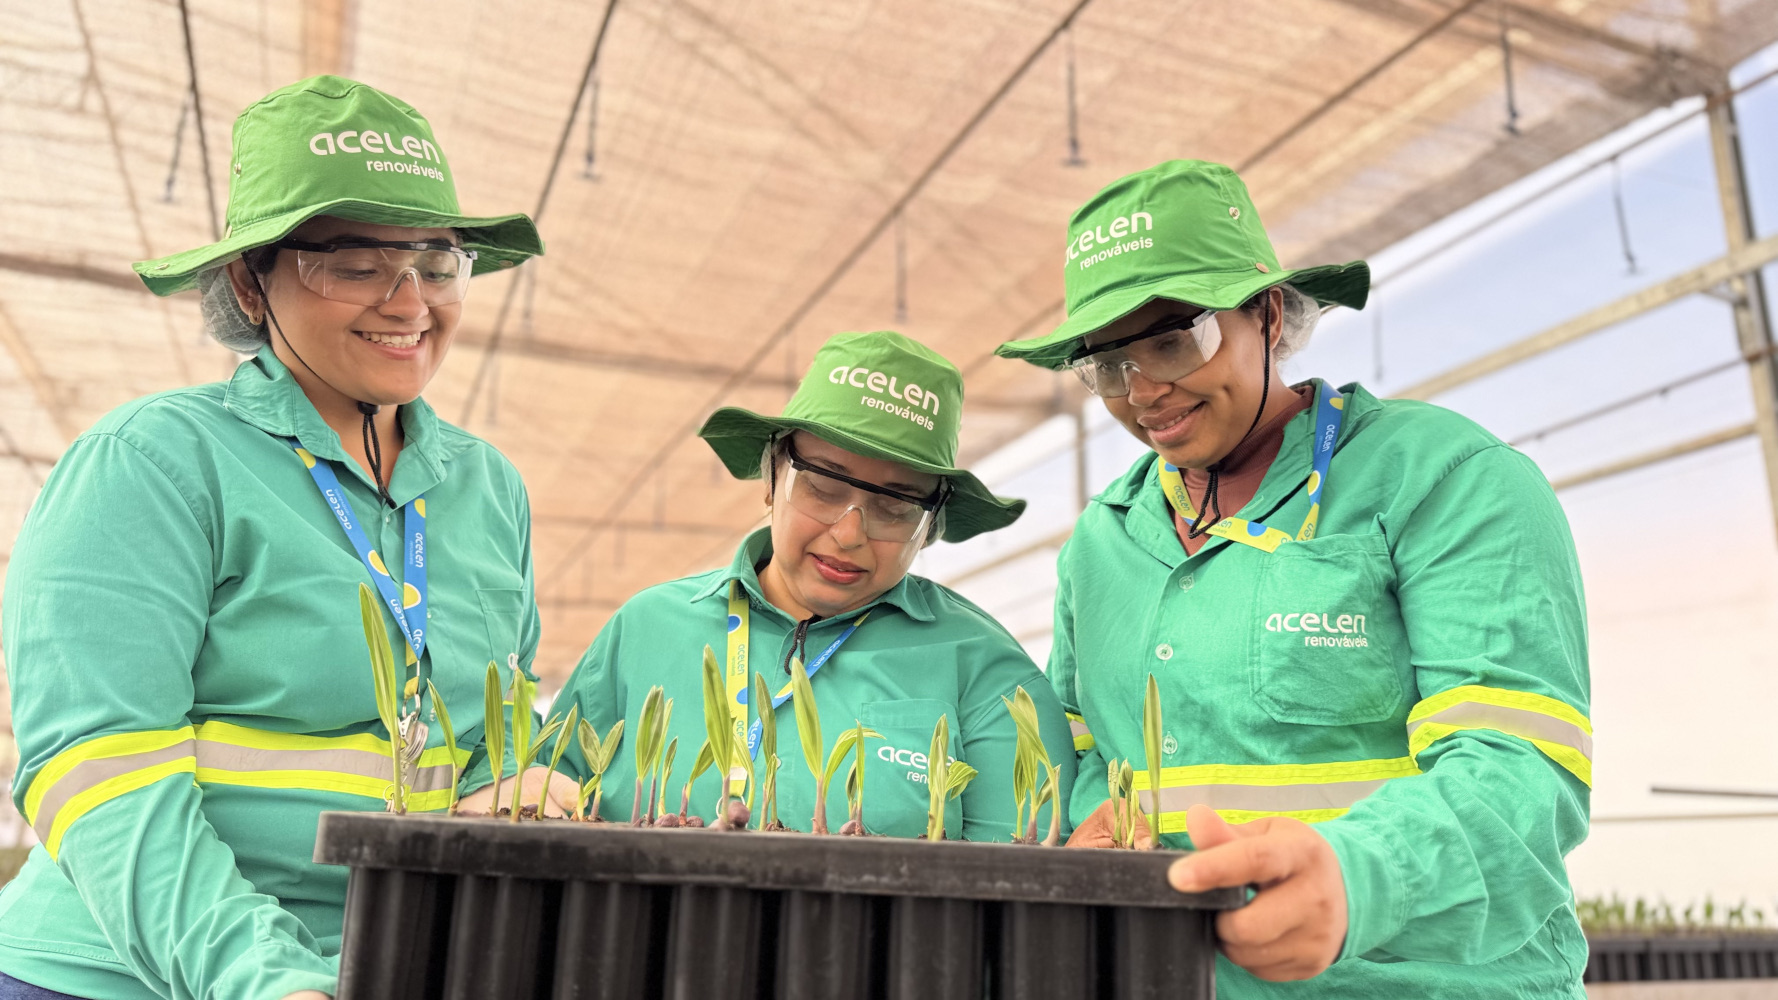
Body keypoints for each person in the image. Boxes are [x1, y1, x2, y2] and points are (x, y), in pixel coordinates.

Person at [0, 76, 546, 1000]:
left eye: (436, 262)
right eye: (356, 264)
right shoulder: (154, 461)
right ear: (250, 284)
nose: (411, 303)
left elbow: (495, 740)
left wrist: (521, 790)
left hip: (386, 962)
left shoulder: (488, 488)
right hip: (128, 974)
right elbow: (100, 768)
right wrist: (264, 981)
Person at [996, 160, 1591, 997]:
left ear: (1269, 314)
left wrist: (1359, 877)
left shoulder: (1445, 478)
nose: (1144, 392)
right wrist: (1092, 826)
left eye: (1173, 340)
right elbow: (1084, 741)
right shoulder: (1103, 541)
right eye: (1107, 366)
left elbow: (1519, 765)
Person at [554, 330, 1076, 840]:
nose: (849, 534)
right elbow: (545, 797)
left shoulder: (983, 666)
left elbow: (1020, 874)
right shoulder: (646, 628)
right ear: (771, 477)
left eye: (895, 507)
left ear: (931, 525)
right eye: (823, 487)